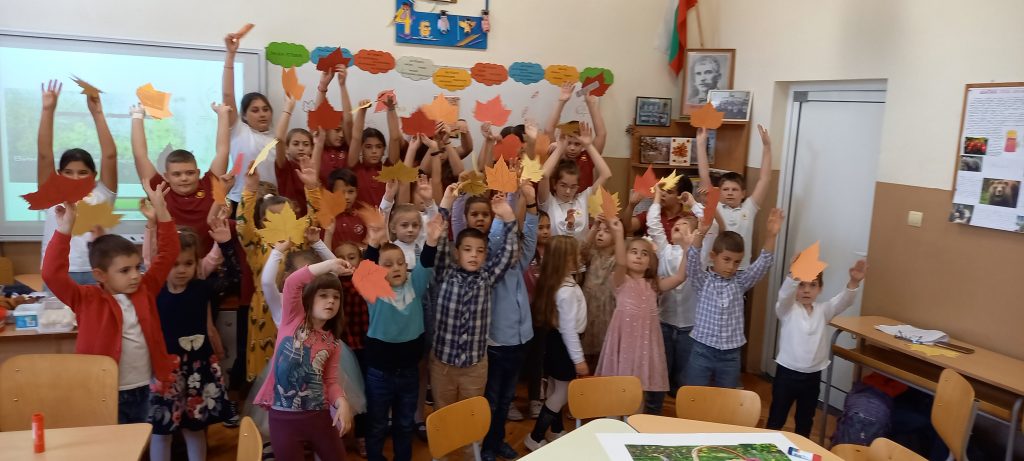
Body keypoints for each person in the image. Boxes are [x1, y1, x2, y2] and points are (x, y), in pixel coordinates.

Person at [42, 182, 179, 424]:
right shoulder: (87, 299)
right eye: (125, 271)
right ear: (100, 275)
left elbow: (169, 253)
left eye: (137, 267)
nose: (135, 275)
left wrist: (161, 209)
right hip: (102, 390)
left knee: (138, 441)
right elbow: (52, 274)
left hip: (142, 388)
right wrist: (65, 228)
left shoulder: (145, 289)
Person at [253, 257, 355, 461]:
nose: (331, 301)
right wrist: (329, 265)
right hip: (283, 419)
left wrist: (342, 402)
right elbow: (292, 282)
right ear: (309, 298)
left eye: (336, 297)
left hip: (319, 417)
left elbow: (330, 382)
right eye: (323, 295)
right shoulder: (292, 319)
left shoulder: (332, 342)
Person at [359, 215, 442, 461]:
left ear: (407, 267)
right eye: (387, 265)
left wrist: (432, 240)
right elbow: (365, 271)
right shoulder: (374, 290)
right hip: (379, 373)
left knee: (404, 424)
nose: (395, 268)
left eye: (399, 263)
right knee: (377, 424)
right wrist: (373, 243)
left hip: (408, 372)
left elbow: (426, 262)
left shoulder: (415, 285)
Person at [429, 185, 519, 410]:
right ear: (457, 252)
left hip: (474, 366)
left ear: (485, 255)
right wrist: (446, 204)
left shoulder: (487, 277)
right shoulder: (445, 273)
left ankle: (471, 439)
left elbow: (508, 252)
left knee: (470, 416)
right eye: (467, 249)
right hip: (443, 364)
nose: (473, 255)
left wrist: (508, 217)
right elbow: (439, 240)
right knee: (443, 414)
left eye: (480, 251)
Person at [148, 227, 230, 461]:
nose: (181, 270)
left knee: (194, 429)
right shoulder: (154, 292)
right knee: (161, 431)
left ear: (197, 264)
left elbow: (233, 276)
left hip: (198, 370)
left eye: (188, 263)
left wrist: (225, 244)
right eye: (174, 264)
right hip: (166, 372)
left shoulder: (202, 289)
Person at [236, 159, 322, 382]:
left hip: (297, 307)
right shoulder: (256, 242)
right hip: (265, 311)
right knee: (267, 370)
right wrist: (250, 190)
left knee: (297, 366)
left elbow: (316, 216)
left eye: (285, 217)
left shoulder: (300, 238)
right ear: (262, 221)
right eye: (272, 219)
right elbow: (243, 226)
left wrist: (312, 187)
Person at [595, 218, 689, 414]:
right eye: (634, 252)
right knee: (617, 393)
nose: (639, 257)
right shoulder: (620, 280)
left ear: (650, 262)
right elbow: (620, 262)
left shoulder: (654, 284)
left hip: (645, 346)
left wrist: (687, 249)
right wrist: (619, 235)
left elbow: (680, 277)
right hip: (624, 344)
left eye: (644, 254)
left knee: (638, 394)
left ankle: (634, 426)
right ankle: (613, 425)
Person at [767, 259, 868, 437]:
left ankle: (801, 448)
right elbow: (784, 296)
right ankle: (767, 447)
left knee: (805, 421)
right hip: (786, 374)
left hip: (812, 377)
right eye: (801, 284)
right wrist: (792, 276)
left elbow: (843, 301)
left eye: (812, 285)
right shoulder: (787, 309)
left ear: (820, 288)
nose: (806, 290)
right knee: (777, 417)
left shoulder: (824, 310)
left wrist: (854, 282)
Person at [684, 208, 784, 387]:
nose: (731, 267)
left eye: (737, 262)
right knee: (694, 394)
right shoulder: (703, 281)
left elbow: (763, 263)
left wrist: (771, 236)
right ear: (713, 256)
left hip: (730, 355)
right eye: (726, 259)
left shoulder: (740, 282)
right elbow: (691, 260)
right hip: (702, 350)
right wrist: (701, 232)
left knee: (727, 397)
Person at [37, 79, 118, 284]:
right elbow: (44, 155)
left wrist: (97, 113)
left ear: (94, 174)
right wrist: (48, 110)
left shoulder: (103, 193)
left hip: (99, 270)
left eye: (83, 173)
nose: (75, 178)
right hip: (59, 270)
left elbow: (110, 155)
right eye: (68, 172)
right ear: (59, 174)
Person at [481, 182, 540, 461]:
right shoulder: (491, 266)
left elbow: (529, 239)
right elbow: (496, 242)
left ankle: (498, 440)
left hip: (520, 340)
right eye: (510, 241)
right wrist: (503, 216)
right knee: (492, 400)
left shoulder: (519, 262)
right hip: (497, 344)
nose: (515, 247)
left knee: (506, 399)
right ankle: (486, 446)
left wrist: (530, 204)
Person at [523, 235, 586, 451]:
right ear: (564, 260)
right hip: (564, 346)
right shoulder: (566, 291)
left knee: (554, 388)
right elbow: (568, 329)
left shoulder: (559, 282)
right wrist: (578, 359)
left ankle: (556, 429)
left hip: (555, 342)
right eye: (575, 255)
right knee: (562, 393)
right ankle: (535, 436)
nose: (579, 258)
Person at [644, 188, 700, 412]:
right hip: (665, 323)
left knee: (685, 378)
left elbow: (709, 224)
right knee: (660, 372)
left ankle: (684, 415)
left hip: (690, 327)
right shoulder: (665, 250)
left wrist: (693, 203)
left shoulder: (699, 254)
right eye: (677, 224)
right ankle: (652, 411)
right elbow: (653, 223)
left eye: (685, 225)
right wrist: (657, 198)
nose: (678, 225)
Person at [695, 125, 772, 268]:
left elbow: (765, 179)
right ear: (719, 192)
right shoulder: (715, 206)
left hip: (741, 270)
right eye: (725, 189)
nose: (730, 193)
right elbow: (704, 176)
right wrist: (700, 144)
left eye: (735, 190)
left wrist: (767, 147)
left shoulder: (748, 208)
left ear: (743, 193)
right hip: (715, 269)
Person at [222, 30, 276, 205]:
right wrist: (231, 55)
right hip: (240, 201)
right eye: (255, 110)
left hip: (270, 205)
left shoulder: (277, 139)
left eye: (265, 109)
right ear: (244, 115)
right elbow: (227, 94)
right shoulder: (240, 131)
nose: (262, 114)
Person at [537, 123, 612, 241]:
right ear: (555, 185)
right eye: (563, 185)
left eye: (573, 187)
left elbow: (606, 175)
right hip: (555, 252)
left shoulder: (583, 199)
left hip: (580, 252)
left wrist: (588, 145)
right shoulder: (548, 201)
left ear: (577, 186)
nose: (568, 191)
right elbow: (544, 175)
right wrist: (560, 148)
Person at [543, 83, 608, 191]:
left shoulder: (588, 156)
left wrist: (591, 104)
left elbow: (601, 134)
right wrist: (562, 101)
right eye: (569, 143)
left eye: (577, 144)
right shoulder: (557, 154)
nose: (572, 148)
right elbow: (548, 130)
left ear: (583, 144)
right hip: (559, 200)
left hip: (583, 200)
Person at [348, 95, 402, 206]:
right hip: (358, 217)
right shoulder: (355, 168)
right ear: (361, 149)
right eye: (368, 147)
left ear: (384, 149)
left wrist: (391, 109)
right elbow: (356, 138)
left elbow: (395, 138)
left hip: (385, 216)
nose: (374, 151)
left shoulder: (388, 168)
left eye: (378, 146)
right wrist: (362, 111)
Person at [580, 217, 617, 366]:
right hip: (589, 305)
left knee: (604, 350)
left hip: (608, 307)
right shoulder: (593, 254)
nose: (600, 234)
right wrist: (594, 226)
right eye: (598, 231)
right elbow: (581, 251)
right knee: (587, 347)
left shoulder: (616, 259)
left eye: (606, 231)